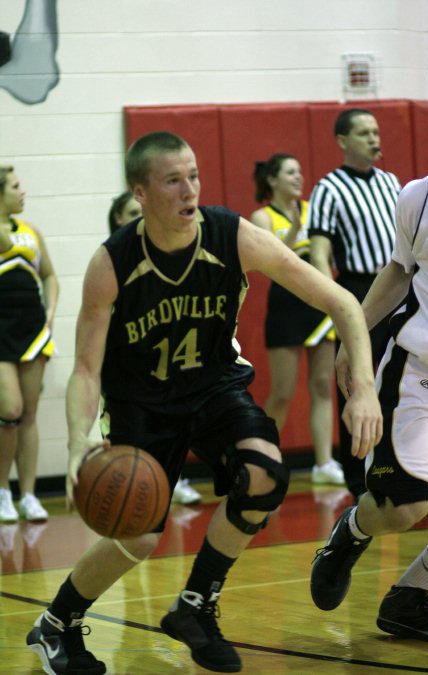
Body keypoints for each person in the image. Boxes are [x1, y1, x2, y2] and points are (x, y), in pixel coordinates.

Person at [26, 131, 381, 675]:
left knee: (265, 473)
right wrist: (79, 443)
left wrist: (363, 390)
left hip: (214, 387)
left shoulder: (231, 234)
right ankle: (56, 623)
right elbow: (85, 370)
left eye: (193, 176)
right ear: (140, 193)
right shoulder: (113, 263)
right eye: (173, 180)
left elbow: (342, 303)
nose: (189, 190)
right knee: (140, 533)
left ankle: (195, 606)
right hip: (141, 401)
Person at [310, 86, 428, 643]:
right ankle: (351, 529)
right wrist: (355, 331)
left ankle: (409, 599)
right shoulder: (419, 196)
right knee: (406, 508)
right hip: (418, 369)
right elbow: (397, 272)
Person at [308, 107, 401, 500]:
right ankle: (356, 476)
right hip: (357, 291)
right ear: (343, 141)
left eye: (376, 131)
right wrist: (333, 302)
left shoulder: (392, 182)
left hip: (399, 286)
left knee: (399, 380)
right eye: (364, 133)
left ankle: (405, 471)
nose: (374, 138)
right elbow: (318, 252)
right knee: (355, 381)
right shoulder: (328, 187)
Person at [250, 154, 343, 485]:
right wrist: (296, 230)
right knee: (282, 392)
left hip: (315, 305)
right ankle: (263, 460)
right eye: (291, 172)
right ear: (273, 180)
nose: (299, 177)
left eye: (300, 171)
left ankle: (324, 463)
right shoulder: (262, 217)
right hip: (286, 308)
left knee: (322, 385)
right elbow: (271, 259)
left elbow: (326, 255)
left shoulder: (313, 210)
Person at [108, 190, 203, 506]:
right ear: (117, 222)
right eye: (131, 214)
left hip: (170, 367)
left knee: (174, 425)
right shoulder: (110, 268)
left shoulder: (171, 262)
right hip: (127, 375)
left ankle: (172, 479)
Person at [0, 165, 59, 523]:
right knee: (9, 410)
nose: (23, 192)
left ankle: (29, 495)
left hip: (32, 329)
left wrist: (50, 312)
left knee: (29, 416)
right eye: (15, 187)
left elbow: (49, 275)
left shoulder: (32, 231)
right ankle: (3, 491)